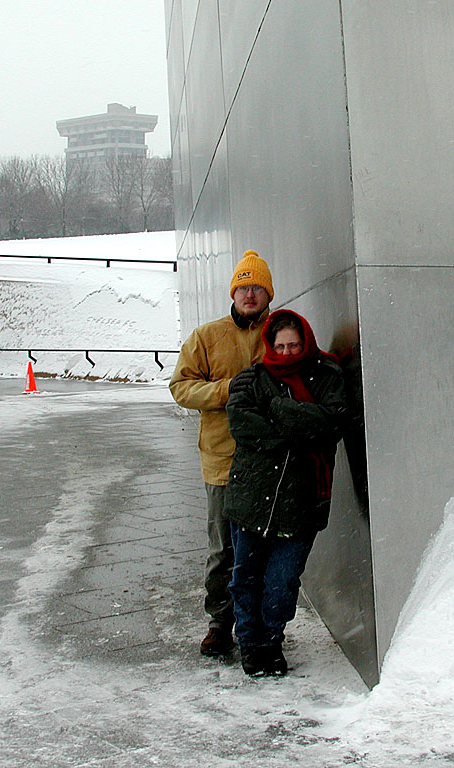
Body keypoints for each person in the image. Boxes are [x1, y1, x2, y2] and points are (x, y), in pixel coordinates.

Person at [224, 309, 346, 676]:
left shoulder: (328, 375)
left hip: (302, 500)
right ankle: (250, 642)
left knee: (281, 581)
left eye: (294, 344)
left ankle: (271, 640)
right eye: (281, 345)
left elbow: (331, 422)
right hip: (251, 498)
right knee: (244, 577)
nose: (288, 352)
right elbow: (243, 426)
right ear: (270, 345)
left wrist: (276, 407)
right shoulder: (252, 378)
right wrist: (296, 428)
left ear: (306, 340)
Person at [169, 249, 274, 657]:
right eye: (244, 286)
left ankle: (259, 623)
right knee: (223, 549)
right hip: (222, 461)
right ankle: (220, 622)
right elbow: (181, 388)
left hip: (269, 461)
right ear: (233, 292)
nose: (250, 294)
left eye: (258, 287)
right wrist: (225, 390)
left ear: (268, 294)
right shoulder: (206, 337)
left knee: (263, 547)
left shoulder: (280, 333)